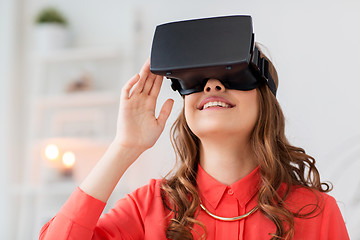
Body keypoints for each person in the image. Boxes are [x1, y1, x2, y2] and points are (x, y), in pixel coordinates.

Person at [39, 18, 350, 239]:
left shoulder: (316, 212)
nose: (213, 84)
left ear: (264, 98)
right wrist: (124, 147)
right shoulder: (149, 207)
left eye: (235, 74)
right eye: (196, 80)